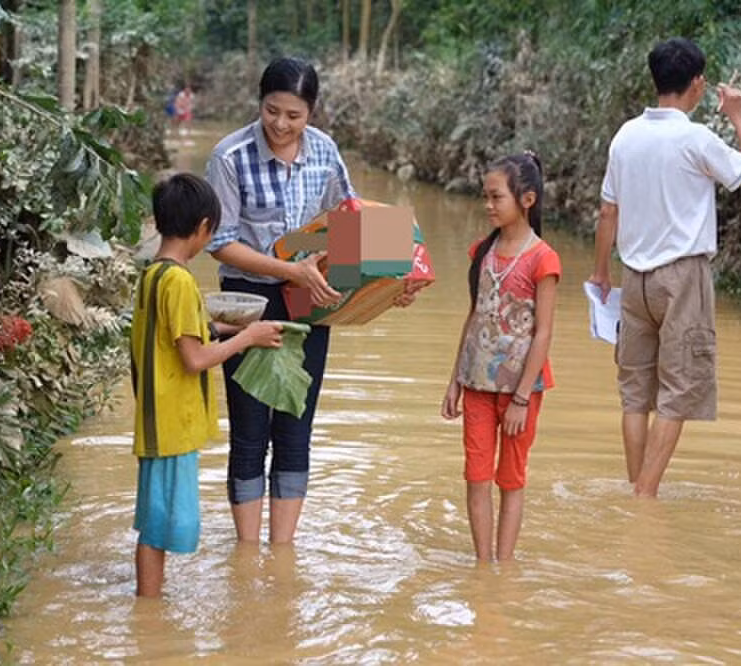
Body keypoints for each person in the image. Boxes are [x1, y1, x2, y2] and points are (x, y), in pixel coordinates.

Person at [205, 57, 415, 544]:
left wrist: (395, 282)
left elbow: (354, 223)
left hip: (310, 302)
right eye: (271, 111)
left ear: (312, 113)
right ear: (259, 103)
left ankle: (281, 555)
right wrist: (287, 270)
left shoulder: (325, 152)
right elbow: (221, 241)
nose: (280, 124)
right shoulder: (229, 156)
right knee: (250, 430)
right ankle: (246, 553)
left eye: (293, 116)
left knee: (296, 428)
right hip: (247, 302)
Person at [587, 37, 741, 498]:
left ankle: (636, 487)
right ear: (697, 83)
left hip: (634, 280)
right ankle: (644, 497)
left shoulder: (625, 136)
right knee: (677, 390)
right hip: (683, 278)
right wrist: (739, 116)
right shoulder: (695, 138)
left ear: (654, 79)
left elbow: (607, 212)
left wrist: (601, 273)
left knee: (634, 392)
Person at [129, 173, 283, 597]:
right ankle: (150, 607)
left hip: (155, 417)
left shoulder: (154, 275)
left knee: (152, 520)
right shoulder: (179, 282)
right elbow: (193, 358)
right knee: (159, 527)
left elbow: (176, 334)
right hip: (172, 421)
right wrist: (246, 338)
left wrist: (220, 326)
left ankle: (149, 605)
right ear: (203, 229)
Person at [441, 153, 561, 562]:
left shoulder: (543, 259)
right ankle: (483, 566)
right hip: (476, 384)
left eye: (496, 197)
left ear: (527, 199)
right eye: (486, 197)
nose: (488, 205)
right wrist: (455, 378)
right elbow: (474, 315)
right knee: (476, 476)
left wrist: (523, 398)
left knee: (511, 478)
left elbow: (543, 332)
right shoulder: (482, 252)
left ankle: (503, 565)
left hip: (518, 391)